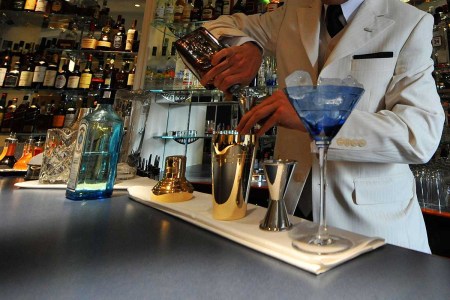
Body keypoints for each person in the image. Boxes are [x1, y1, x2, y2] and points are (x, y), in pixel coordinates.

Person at [201, 0, 445, 253]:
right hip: (291, 220)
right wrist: (250, 46)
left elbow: (421, 134)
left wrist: (314, 113)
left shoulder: (409, 22)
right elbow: (216, 26)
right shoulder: (293, 12)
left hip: (375, 232)